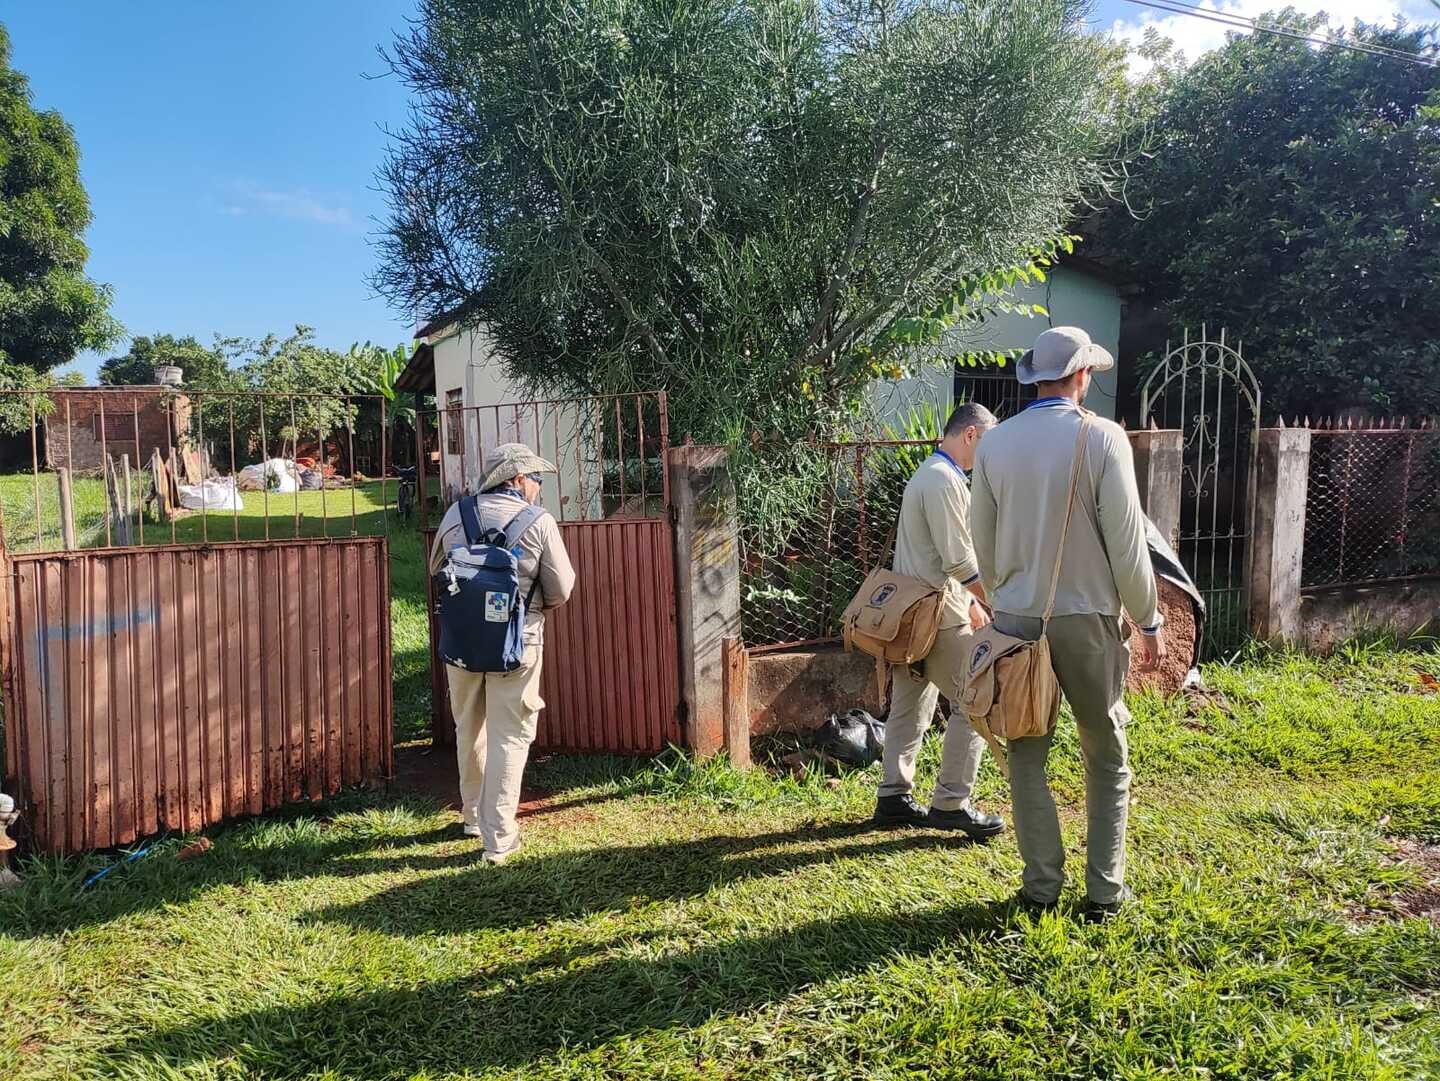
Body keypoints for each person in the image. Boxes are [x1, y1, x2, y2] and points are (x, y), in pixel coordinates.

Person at [969, 326, 1163, 921]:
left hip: (1017, 620)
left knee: (1027, 753)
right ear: (1083, 376)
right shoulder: (1102, 438)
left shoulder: (994, 445)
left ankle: (1041, 886)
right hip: (1089, 620)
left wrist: (1007, 600)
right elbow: (1128, 544)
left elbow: (982, 542)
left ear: (1034, 378)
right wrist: (1150, 619)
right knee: (1106, 753)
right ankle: (1104, 893)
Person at [428, 443, 576, 865]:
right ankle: (499, 839)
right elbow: (562, 589)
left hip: (461, 642)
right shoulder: (538, 522)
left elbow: (437, 567)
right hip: (519, 642)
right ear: (515, 480)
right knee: (510, 734)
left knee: (469, 727)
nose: (538, 487)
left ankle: (472, 817)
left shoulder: (457, 514)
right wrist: (527, 608)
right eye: (536, 479)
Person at [873, 402, 1006, 840]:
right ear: (971, 435)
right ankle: (951, 802)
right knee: (975, 701)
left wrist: (970, 600)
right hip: (936, 615)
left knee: (911, 704)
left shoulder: (929, 473)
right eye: (986, 444)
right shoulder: (944, 478)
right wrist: (993, 600)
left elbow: (936, 557)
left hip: (912, 612)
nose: (987, 456)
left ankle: (893, 796)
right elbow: (959, 559)